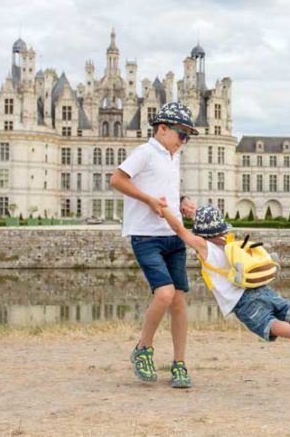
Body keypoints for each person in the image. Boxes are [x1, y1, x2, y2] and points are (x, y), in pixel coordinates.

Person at [160, 204, 290, 365]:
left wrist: (164, 210)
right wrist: (193, 213)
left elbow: (180, 230)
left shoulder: (205, 247)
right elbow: (208, 223)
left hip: (242, 300)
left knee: (268, 324)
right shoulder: (229, 241)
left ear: (200, 232)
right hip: (260, 287)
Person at [110, 102, 199, 388]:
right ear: (162, 129)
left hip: (173, 235)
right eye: (181, 134)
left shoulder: (173, 156)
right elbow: (117, 179)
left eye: (187, 136)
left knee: (179, 301)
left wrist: (182, 201)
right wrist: (147, 200)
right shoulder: (145, 152)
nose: (183, 141)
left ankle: (179, 363)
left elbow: (164, 188)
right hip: (146, 235)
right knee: (165, 294)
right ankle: (142, 348)